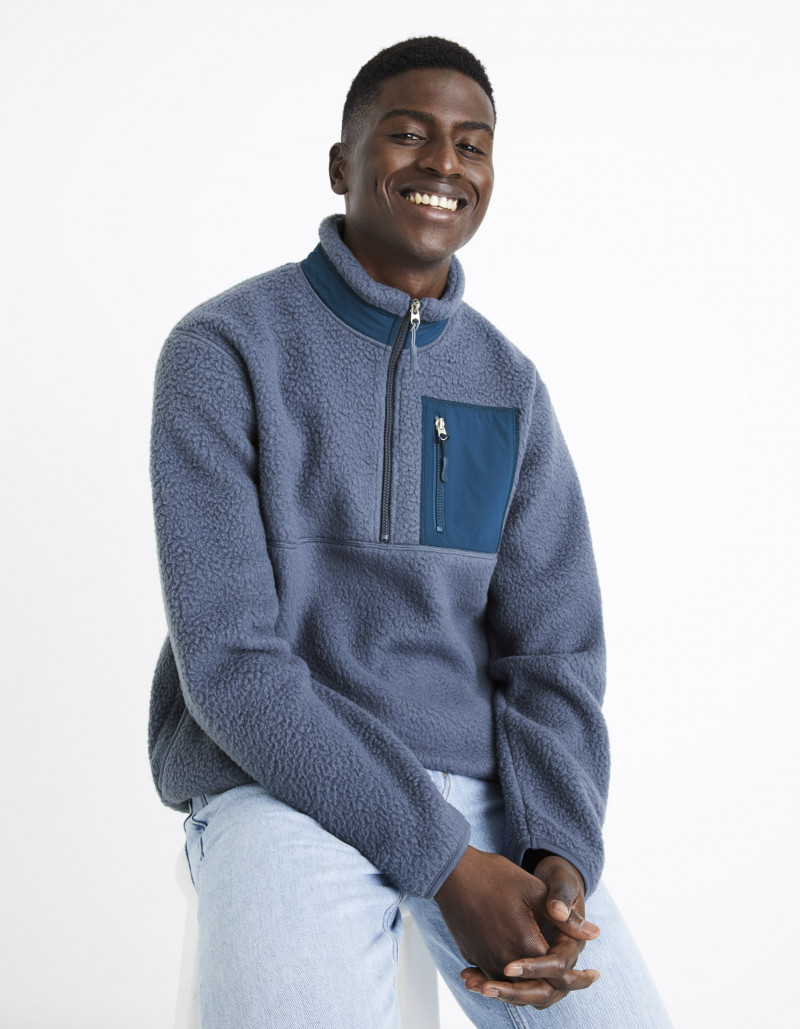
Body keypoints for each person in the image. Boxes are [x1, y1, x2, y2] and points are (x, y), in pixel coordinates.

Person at [148, 36, 672, 1028]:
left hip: (484, 801)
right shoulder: (222, 352)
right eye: (408, 135)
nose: (443, 164)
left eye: (472, 145)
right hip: (280, 782)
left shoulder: (509, 387)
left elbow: (554, 655)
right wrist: (441, 859)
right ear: (340, 163)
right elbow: (230, 666)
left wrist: (558, 852)